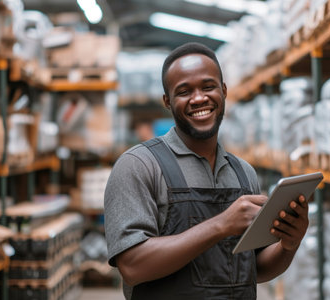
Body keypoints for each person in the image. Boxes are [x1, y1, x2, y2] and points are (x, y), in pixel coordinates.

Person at [104, 42, 309, 300]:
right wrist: (222, 224)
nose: (199, 98)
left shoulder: (244, 173)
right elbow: (132, 266)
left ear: (223, 91)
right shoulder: (139, 166)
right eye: (184, 91)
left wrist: (289, 245)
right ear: (167, 101)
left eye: (208, 86)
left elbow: (254, 269)